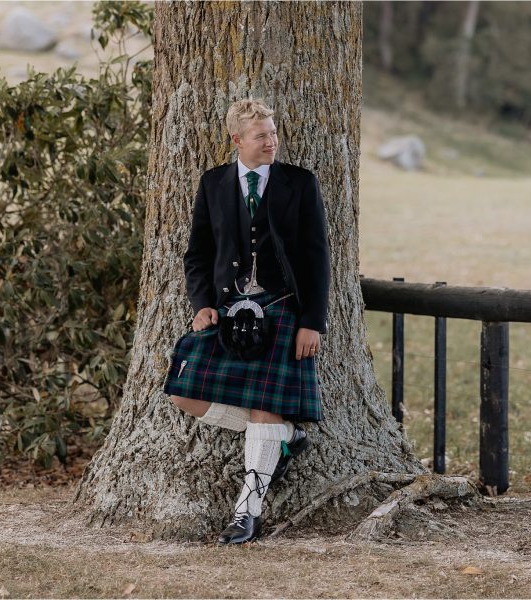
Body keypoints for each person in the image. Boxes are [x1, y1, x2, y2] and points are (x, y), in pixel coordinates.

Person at [163, 98, 330, 545]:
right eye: (261, 136)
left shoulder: (299, 182)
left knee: (263, 408)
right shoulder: (214, 182)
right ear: (237, 139)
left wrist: (312, 321)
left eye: (273, 133)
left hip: (282, 312)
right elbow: (197, 253)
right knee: (183, 393)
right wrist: (201, 304)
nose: (271, 141)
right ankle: (286, 435)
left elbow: (317, 257)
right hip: (228, 312)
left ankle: (246, 512)